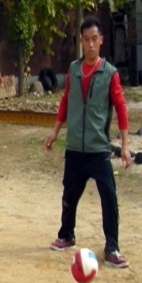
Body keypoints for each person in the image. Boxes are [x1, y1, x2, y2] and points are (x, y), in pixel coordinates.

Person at [44, 15, 131, 268]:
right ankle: (66, 235)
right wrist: (55, 132)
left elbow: (121, 108)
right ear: (80, 42)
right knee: (69, 194)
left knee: (108, 196)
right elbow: (65, 101)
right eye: (86, 40)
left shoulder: (110, 73)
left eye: (94, 39)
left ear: (101, 40)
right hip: (74, 148)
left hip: (98, 148)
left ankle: (112, 247)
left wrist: (125, 147)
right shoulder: (73, 70)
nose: (90, 45)